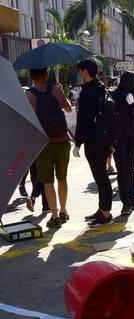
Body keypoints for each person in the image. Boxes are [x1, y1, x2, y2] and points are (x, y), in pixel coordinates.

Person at [26, 68, 72, 228]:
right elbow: (69, 108)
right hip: (63, 140)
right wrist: (59, 93)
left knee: (47, 180)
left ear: (31, 77)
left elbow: (28, 120)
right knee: (62, 177)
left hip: (44, 142)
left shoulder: (29, 95)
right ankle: (64, 211)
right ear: (46, 75)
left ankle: (54, 216)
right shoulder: (56, 89)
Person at [73, 59, 114, 226]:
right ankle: (102, 209)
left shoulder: (88, 91)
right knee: (101, 176)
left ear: (84, 71)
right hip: (103, 138)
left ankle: (106, 214)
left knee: (101, 177)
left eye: (80, 71)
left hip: (93, 140)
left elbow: (84, 119)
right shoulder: (100, 87)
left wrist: (77, 143)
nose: (79, 74)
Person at [112, 72, 134, 216]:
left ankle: (132, 200)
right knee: (122, 170)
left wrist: (132, 104)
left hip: (132, 136)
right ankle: (125, 203)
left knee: (130, 169)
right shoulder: (114, 95)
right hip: (117, 138)